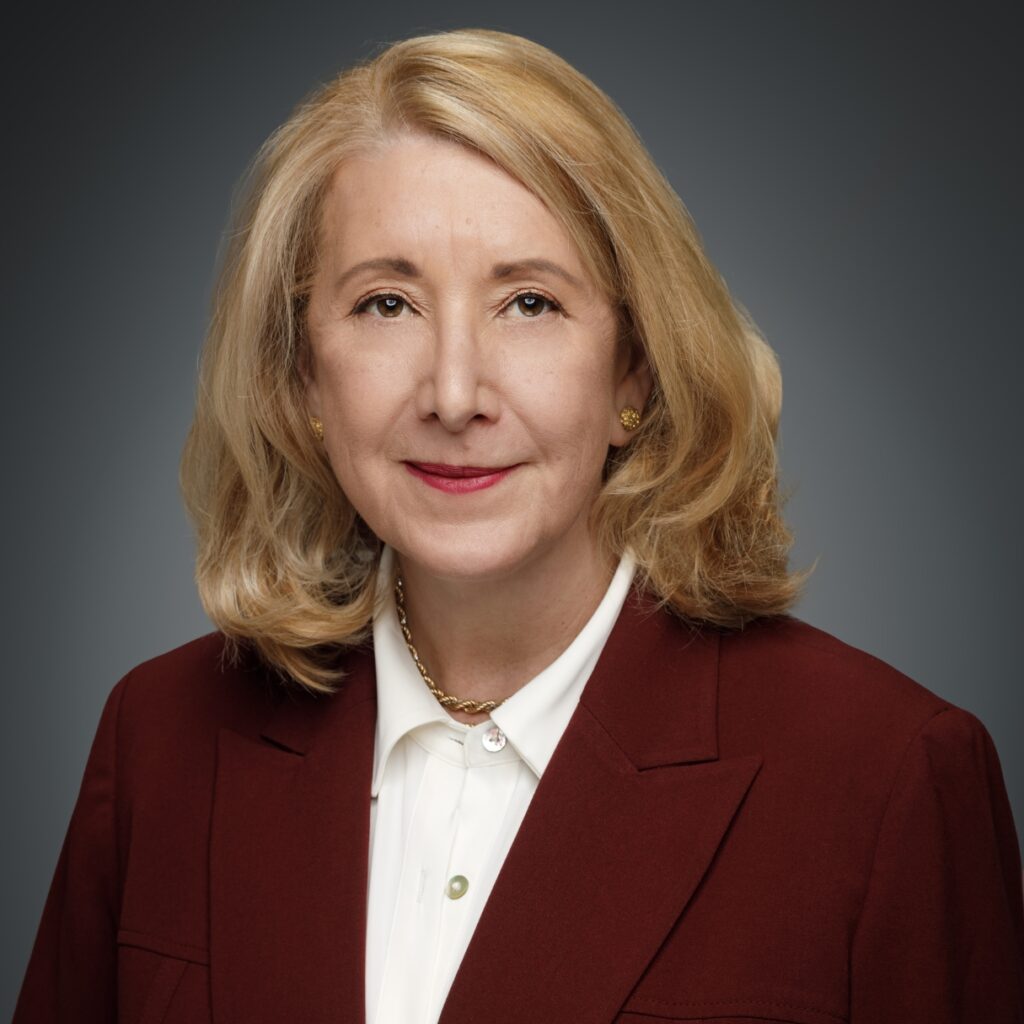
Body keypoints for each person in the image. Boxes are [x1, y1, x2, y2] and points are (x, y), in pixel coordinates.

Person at [13, 27, 1024, 1024]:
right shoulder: (159, 740)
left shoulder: (887, 775)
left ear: (634, 372)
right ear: (302, 376)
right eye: (387, 304)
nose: (454, 394)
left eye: (529, 302)